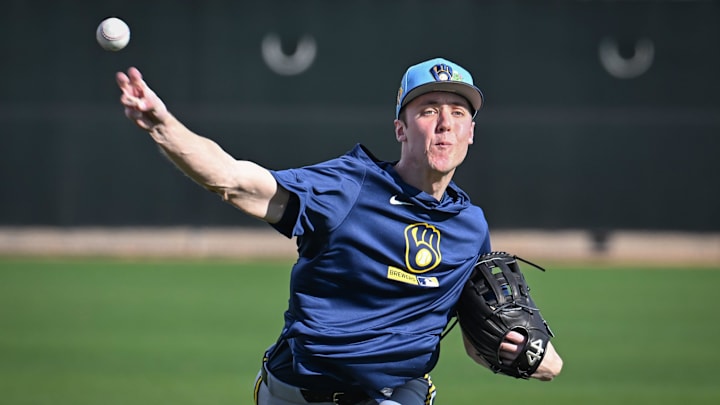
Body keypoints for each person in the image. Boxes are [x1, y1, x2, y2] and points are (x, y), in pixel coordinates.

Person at [116, 57, 563, 405]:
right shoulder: (349, 187)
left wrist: (525, 351)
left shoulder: (470, 226)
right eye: (428, 110)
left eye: (458, 112)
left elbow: (476, 336)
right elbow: (235, 182)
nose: (445, 123)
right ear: (401, 129)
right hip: (297, 390)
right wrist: (161, 124)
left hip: (394, 393)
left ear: (471, 133)